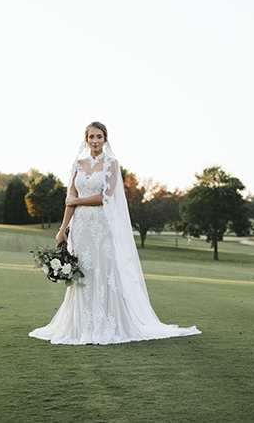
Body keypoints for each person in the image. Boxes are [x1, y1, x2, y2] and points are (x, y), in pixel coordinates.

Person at [29, 121, 201, 345]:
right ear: (86, 139)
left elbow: (105, 197)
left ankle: (107, 323)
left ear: (105, 139)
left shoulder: (112, 164)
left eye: (99, 137)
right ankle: (80, 325)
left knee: (103, 271)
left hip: (102, 227)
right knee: (83, 272)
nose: (95, 141)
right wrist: (63, 229)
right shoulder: (78, 164)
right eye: (91, 137)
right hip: (80, 228)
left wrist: (78, 200)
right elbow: (69, 202)